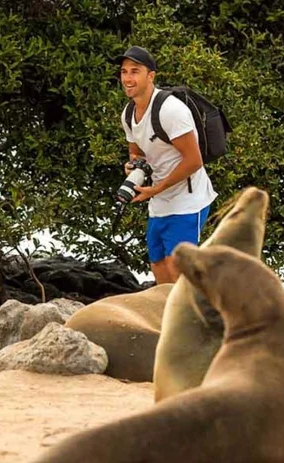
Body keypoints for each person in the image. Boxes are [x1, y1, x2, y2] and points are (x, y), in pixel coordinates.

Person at [113, 46, 217, 284]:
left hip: (188, 201)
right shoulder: (128, 113)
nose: (128, 78)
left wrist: (156, 189)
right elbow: (136, 151)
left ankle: (198, 319)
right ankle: (168, 320)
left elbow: (194, 160)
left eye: (135, 72)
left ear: (150, 76)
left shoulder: (171, 110)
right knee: (159, 265)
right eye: (124, 72)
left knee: (179, 271)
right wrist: (133, 167)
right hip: (159, 201)